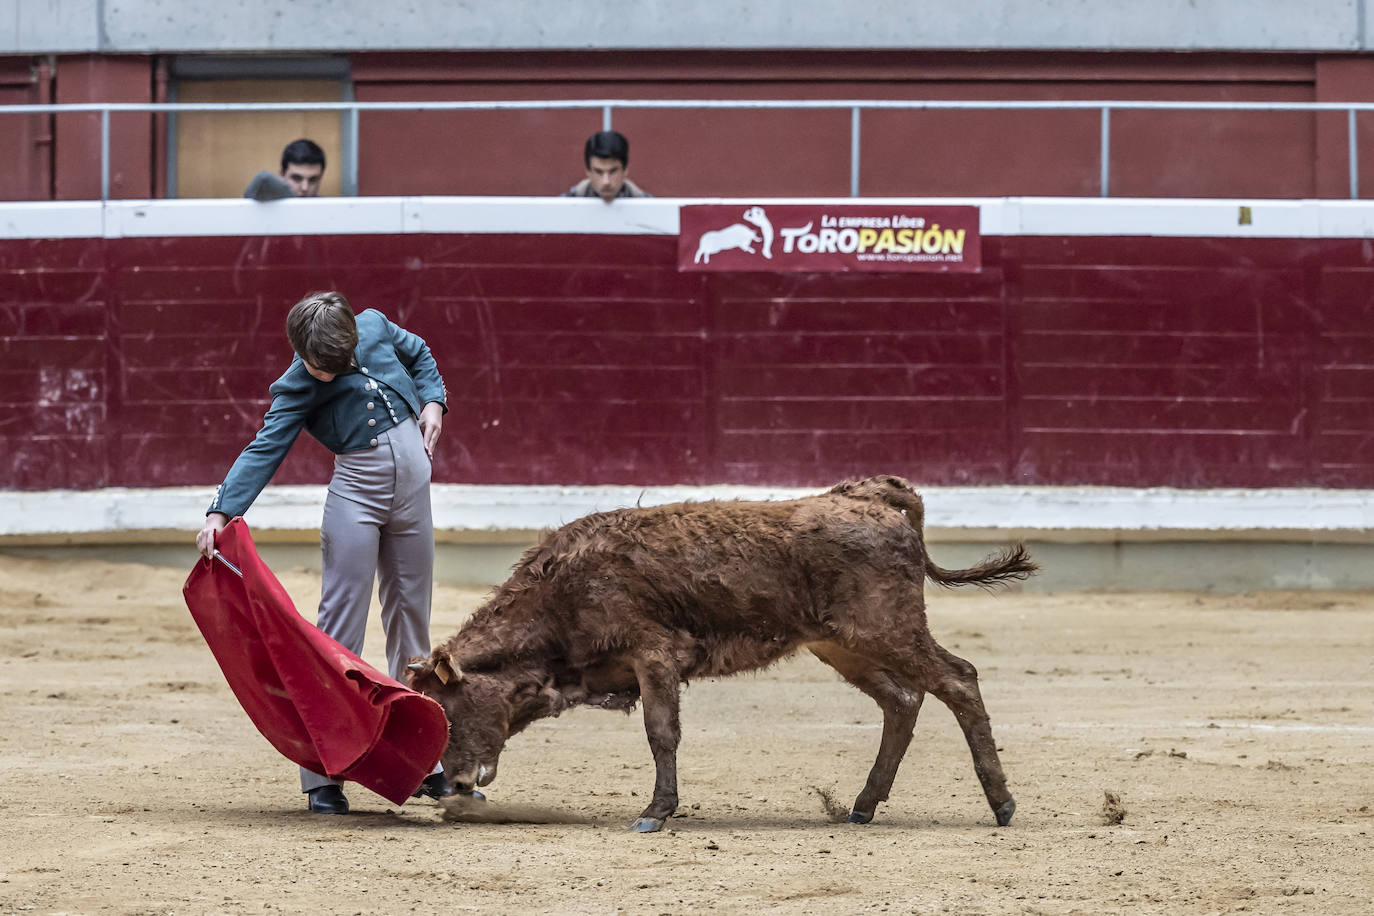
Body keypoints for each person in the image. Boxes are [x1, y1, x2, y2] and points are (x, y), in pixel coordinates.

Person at [195, 291, 449, 814]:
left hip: (413, 499)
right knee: (339, 630)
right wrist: (220, 512)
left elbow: (421, 353)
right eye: (314, 366)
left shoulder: (375, 325)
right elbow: (265, 445)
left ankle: (423, 760)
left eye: (330, 367)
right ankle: (322, 772)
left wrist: (432, 402)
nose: (322, 375)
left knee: (413, 621)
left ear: (353, 340)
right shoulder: (299, 383)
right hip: (356, 497)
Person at [562, 130, 651, 203]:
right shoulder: (564, 204)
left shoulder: (649, 206)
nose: (606, 182)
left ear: (625, 171)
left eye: (613, 171)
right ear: (588, 172)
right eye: (598, 172)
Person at [243, 138, 327, 201]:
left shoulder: (328, 210)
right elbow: (263, 178)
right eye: (297, 178)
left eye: (313, 180)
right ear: (281, 174)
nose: (304, 188)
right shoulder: (270, 208)